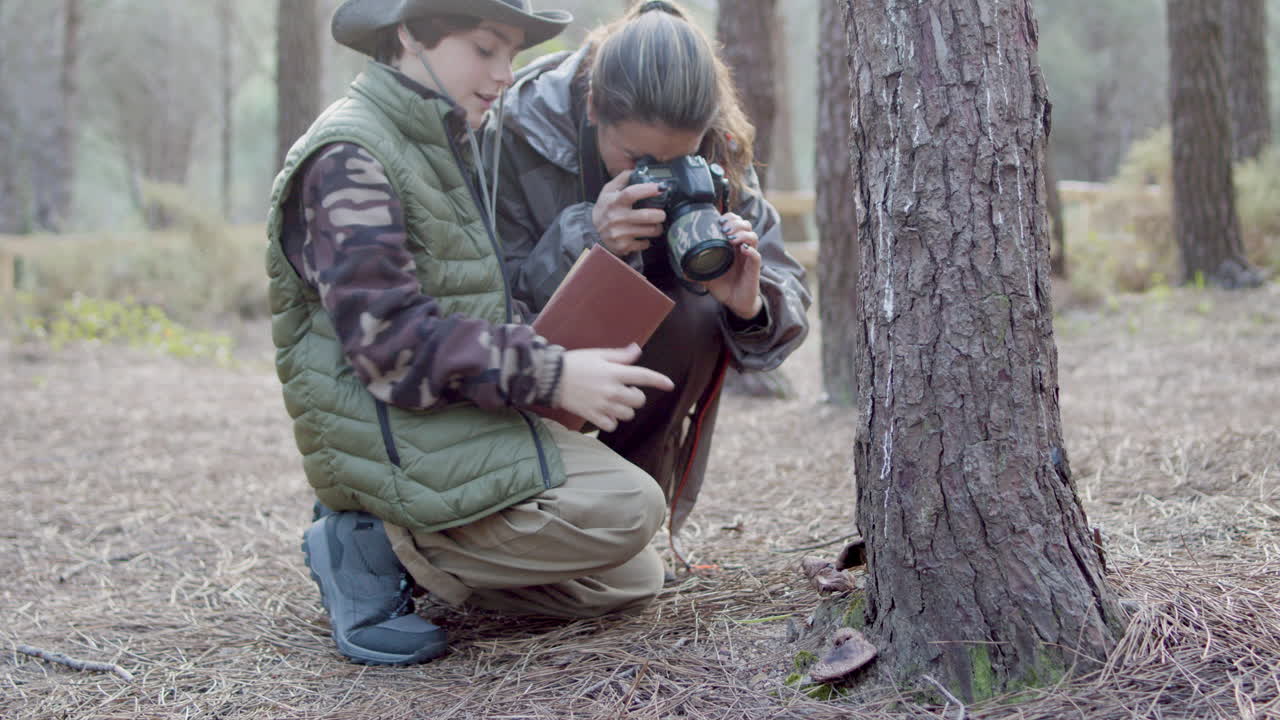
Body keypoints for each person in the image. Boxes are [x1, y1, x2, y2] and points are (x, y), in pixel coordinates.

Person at [265, 0, 677, 667]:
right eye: (485, 49)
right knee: (629, 510)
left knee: (631, 577)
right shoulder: (352, 156)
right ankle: (374, 541)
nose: (504, 74)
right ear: (406, 34)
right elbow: (392, 348)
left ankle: (422, 559)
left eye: (511, 55)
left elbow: (466, 302)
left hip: (451, 417)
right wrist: (550, 372)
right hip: (392, 432)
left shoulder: (443, 138)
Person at [486, 0, 811, 549]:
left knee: (698, 312)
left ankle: (625, 521)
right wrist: (591, 238)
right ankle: (526, 509)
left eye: (673, 158)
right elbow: (488, 299)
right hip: (529, 379)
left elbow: (784, 285)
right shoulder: (517, 129)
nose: (650, 172)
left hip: (648, 379)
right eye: (635, 156)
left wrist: (749, 304)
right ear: (593, 107)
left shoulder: (715, 142)